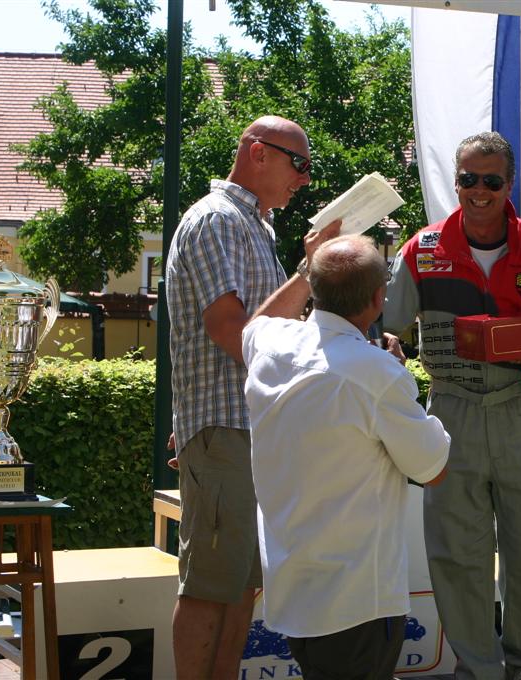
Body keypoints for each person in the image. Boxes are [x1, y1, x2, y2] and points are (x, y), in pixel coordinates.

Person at [383, 131, 521, 680]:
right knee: (456, 554)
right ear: (455, 182)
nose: (478, 191)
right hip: (450, 412)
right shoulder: (422, 250)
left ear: (508, 184)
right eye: (468, 179)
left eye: (490, 181)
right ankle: (478, 670)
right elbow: (382, 326)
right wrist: (387, 346)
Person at [165, 115, 338, 680]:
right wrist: (310, 271)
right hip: (226, 429)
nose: (305, 180)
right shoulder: (217, 220)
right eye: (300, 164)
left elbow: (267, 335)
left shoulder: (252, 227)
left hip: (245, 430)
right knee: (214, 587)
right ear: (258, 153)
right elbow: (238, 337)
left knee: (241, 587)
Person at [242, 235, 450, 679]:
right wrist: (396, 373)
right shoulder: (376, 374)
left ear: (313, 289)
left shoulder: (272, 344)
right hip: (357, 599)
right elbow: (433, 467)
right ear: (378, 300)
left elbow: (255, 324)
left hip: (296, 588)